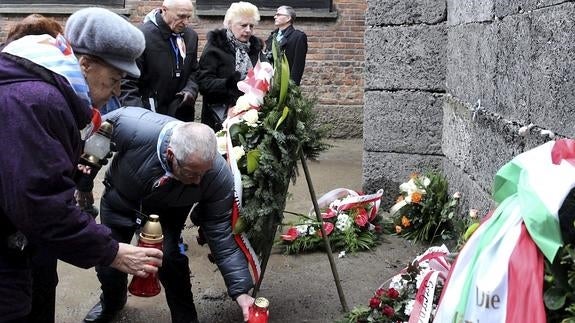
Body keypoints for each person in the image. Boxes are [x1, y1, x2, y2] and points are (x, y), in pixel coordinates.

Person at [0, 7, 163, 322]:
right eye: (114, 79)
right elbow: (38, 201)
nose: (117, 91)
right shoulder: (34, 100)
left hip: (27, 245)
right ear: (84, 64)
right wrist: (111, 251)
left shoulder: (49, 90)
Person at [83, 107, 254, 323]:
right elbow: (92, 140)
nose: (199, 182)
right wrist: (84, 183)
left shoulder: (217, 176)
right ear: (171, 155)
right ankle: (112, 301)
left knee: (172, 262)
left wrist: (241, 290)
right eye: (192, 173)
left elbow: (220, 232)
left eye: (204, 173)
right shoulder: (131, 125)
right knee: (109, 260)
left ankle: (185, 318)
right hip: (119, 204)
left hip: (166, 216)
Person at [120, 0, 199, 122]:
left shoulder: (191, 36)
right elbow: (126, 82)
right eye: (181, 16)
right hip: (148, 116)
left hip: (180, 115)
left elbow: (195, 71)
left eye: (189, 17)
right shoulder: (142, 37)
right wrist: (140, 116)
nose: (186, 22)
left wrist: (190, 90)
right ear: (164, 10)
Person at [197, 1, 264, 131]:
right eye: (243, 25)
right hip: (220, 117)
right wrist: (231, 84)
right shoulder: (215, 47)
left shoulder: (255, 48)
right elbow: (204, 83)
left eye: (251, 26)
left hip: (250, 118)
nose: (248, 30)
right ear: (229, 24)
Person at [265, 5, 308, 86]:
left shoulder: (298, 37)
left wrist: (292, 86)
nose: (275, 17)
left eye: (278, 15)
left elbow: (298, 65)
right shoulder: (272, 35)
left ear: (288, 18)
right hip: (269, 82)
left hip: (285, 83)